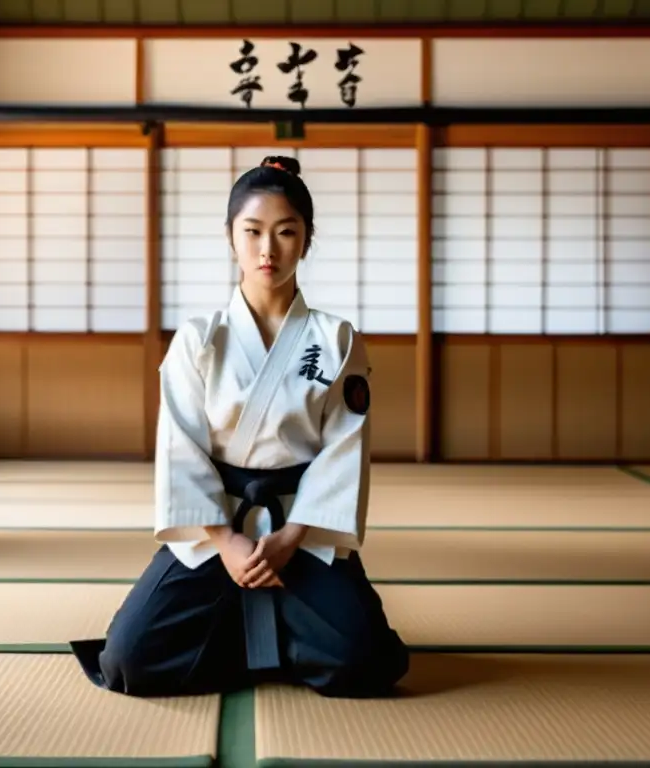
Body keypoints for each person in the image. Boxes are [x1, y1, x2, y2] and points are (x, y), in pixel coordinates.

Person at [69, 155, 409, 699]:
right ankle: (273, 638)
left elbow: (346, 448)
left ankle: (257, 631)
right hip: (216, 526)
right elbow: (180, 450)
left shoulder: (337, 338)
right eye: (252, 232)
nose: (267, 250)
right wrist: (226, 542)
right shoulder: (199, 339)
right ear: (231, 238)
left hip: (300, 527)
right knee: (130, 661)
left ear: (307, 239)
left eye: (285, 232)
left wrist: (293, 535)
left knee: (366, 665)